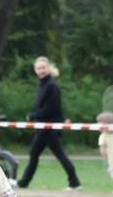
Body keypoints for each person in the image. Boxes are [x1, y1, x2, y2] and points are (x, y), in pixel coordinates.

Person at [15, 57, 81, 190]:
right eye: (38, 68)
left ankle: (75, 183)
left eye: (43, 68)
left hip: (50, 128)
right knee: (34, 154)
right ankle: (24, 182)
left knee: (59, 155)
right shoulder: (42, 85)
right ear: (35, 70)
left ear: (48, 69)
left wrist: (33, 115)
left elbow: (52, 108)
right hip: (43, 127)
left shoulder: (52, 85)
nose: (41, 70)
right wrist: (36, 116)